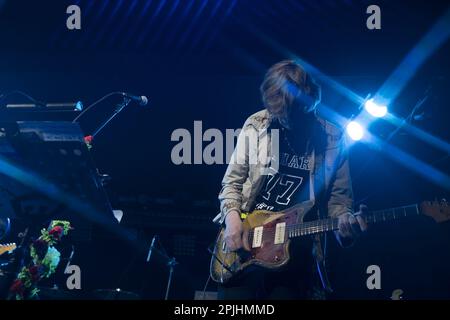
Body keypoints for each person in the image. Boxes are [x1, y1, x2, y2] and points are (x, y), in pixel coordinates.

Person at [213, 60, 367, 299]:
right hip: (247, 246)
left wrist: (346, 227)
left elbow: (339, 203)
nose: (284, 120)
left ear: (310, 103)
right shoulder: (257, 125)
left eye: (290, 114)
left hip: (295, 255)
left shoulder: (333, 139)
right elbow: (231, 184)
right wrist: (233, 222)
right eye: (278, 113)